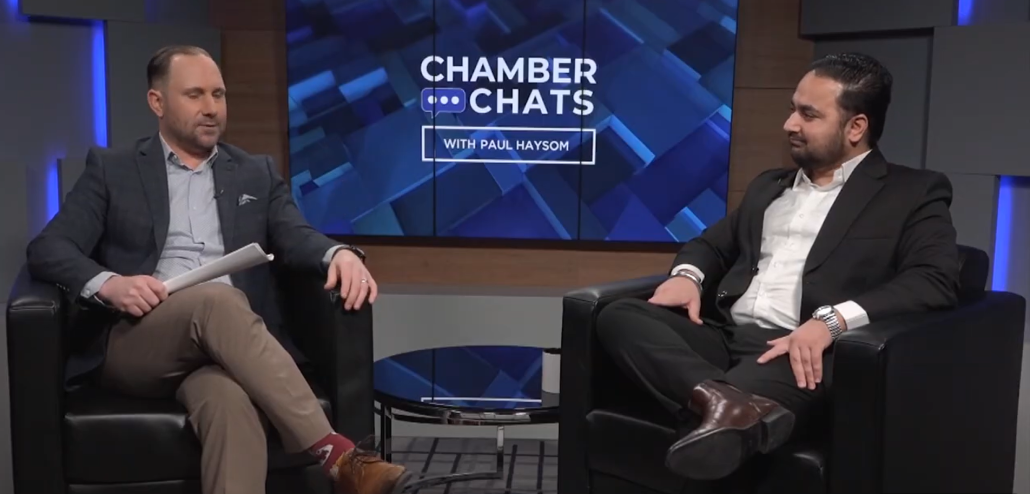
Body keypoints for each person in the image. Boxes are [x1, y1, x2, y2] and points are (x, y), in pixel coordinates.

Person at [25, 45, 411, 494]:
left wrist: (338, 253)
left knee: (230, 404)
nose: (211, 108)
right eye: (194, 95)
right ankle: (339, 457)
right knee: (217, 299)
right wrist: (110, 284)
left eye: (218, 94)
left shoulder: (254, 173)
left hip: (228, 347)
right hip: (140, 339)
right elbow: (48, 247)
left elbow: (296, 234)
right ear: (157, 102)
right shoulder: (113, 170)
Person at [595, 52, 960, 480]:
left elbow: (933, 279)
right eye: (792, 109)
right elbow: (710, 245)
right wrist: (687, 277)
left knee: (712, 433)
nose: (789, 124)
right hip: (725, 335)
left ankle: (720, 406)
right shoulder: (768, 186)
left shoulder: (912, 192)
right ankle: (726, 402)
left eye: (809, 114)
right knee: (620, 315)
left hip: (797, 351)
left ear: (856, 127)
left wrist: (831, 321)